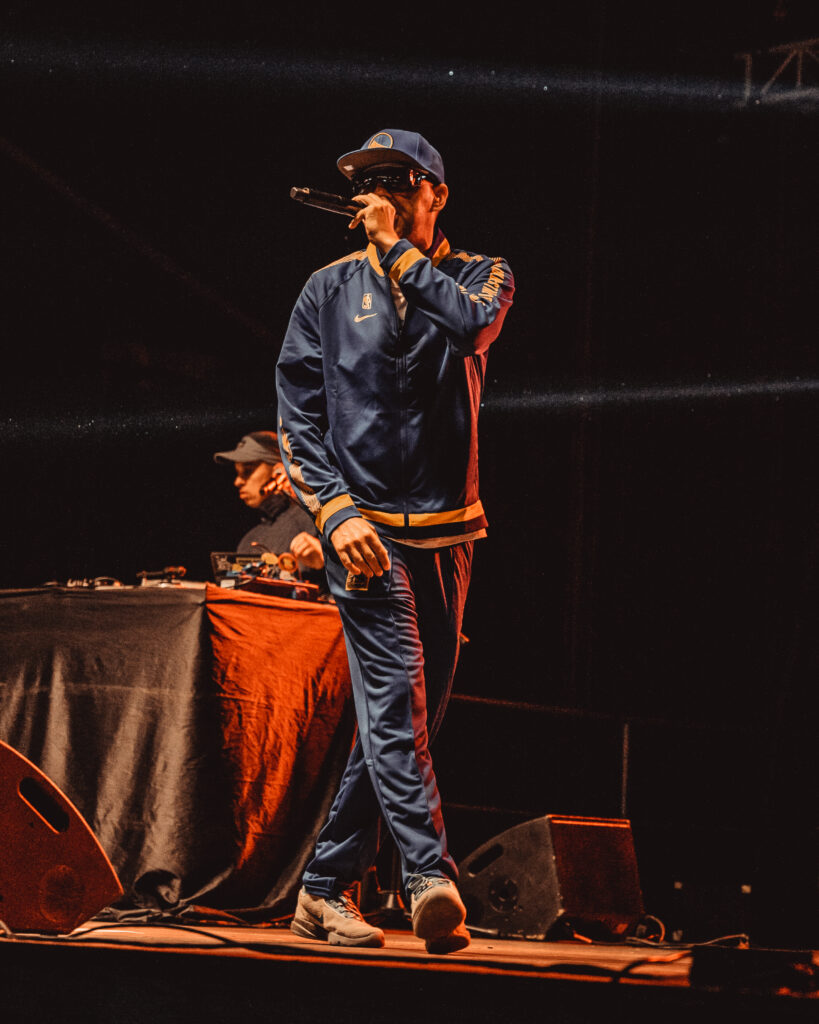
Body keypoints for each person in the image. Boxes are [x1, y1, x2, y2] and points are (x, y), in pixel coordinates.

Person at [276, 129, 514, 953]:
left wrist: (398, 254)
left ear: (433, 193)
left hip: (450, 532)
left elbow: (473, 329)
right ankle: (427, 876)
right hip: (364, 532)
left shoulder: (479, 275)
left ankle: (320, 889)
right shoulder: (326, 290)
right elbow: (297, 416)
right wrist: (334, 512)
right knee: (394, 701)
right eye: (364, 182)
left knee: (406, 720)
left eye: (396, 180)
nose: (375, 192)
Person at [212, 430, 324, 577]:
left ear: (278, 471)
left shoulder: (320, 518)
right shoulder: (248, 541)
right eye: (238, 473)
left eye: (247, 471)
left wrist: (325, 561)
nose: (237, 482)